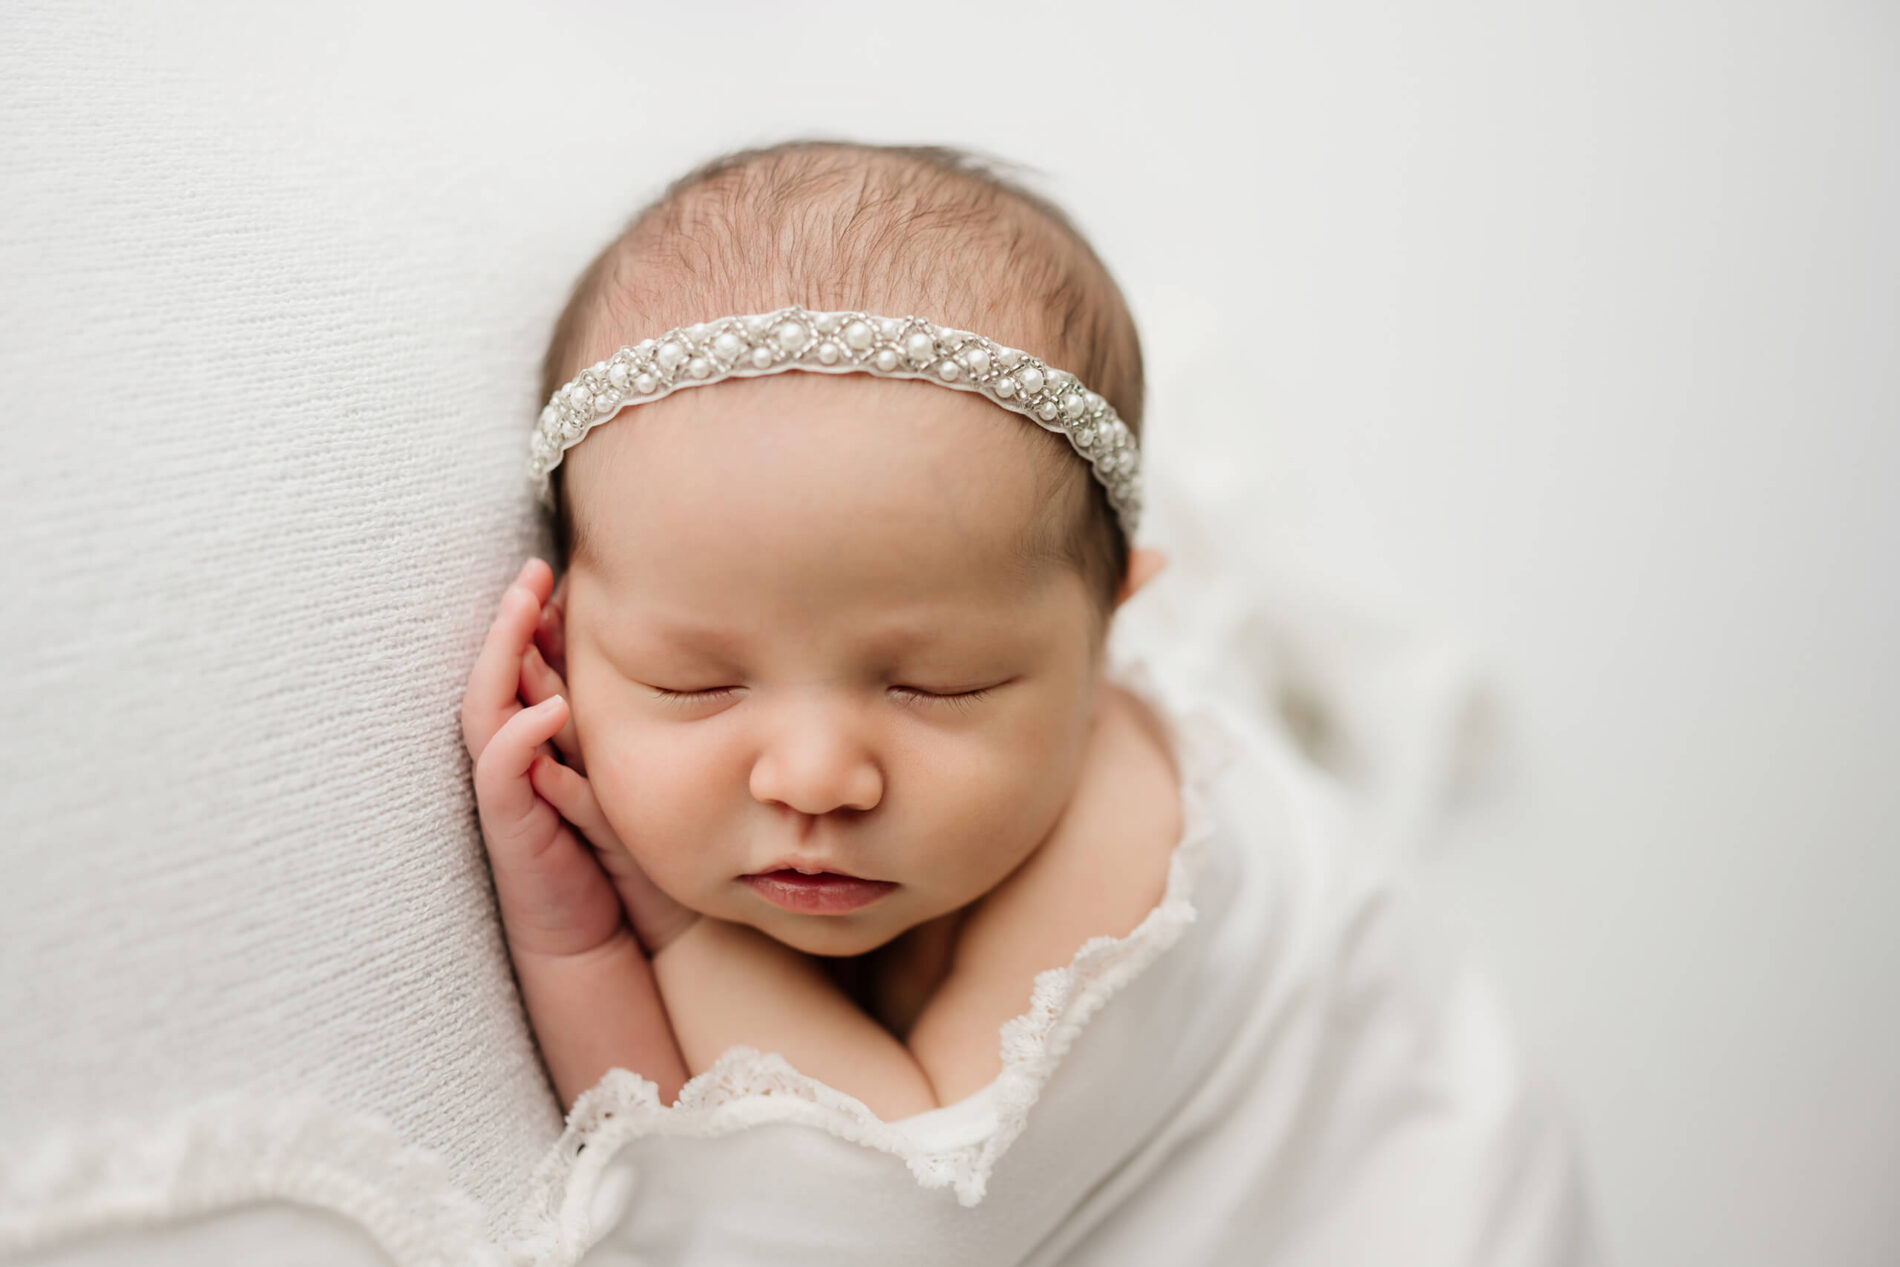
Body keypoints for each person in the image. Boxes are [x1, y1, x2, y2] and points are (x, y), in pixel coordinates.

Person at [461, 140, 1600, 1265]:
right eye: (693, 684)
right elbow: (666, 1162)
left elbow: (885, 1216)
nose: (812, 775)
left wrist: (668, 928)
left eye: (938, 685)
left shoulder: (1126, 836)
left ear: (1110, 629)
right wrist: (574, 934)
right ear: (563, 637)